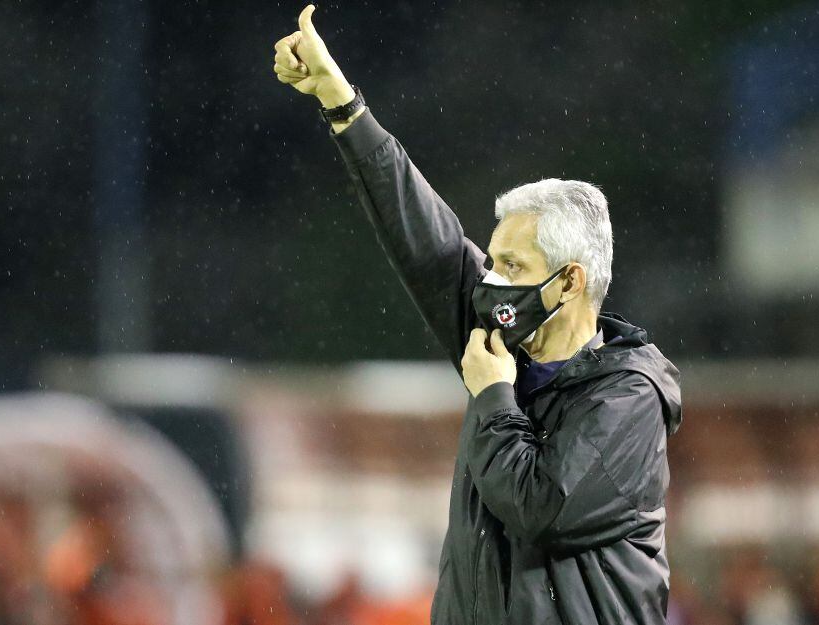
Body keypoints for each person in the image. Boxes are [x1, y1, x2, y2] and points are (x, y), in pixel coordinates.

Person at [272, 5, 683, 624]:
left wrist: (494, 396)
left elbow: (539, 508)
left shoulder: (629, 396)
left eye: (512, 267)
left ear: (570, 282)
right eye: (491, 262)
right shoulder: (505, 339)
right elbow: (426, 240)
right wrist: (341, 103)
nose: (492, 282)